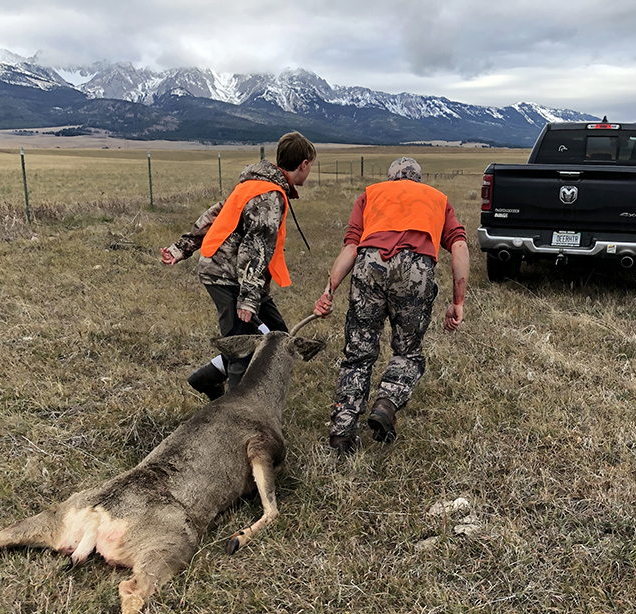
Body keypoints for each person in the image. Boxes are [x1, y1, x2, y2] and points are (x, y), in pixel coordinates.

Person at [313, 156, 469, 455]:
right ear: (417, 181)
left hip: (369, 264)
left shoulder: (371, 194)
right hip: (415, 268)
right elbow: (459, 246)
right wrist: (458, 301)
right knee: (408, 352)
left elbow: (351, 247)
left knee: (358, 354)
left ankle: (342, 434)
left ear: (390, 179)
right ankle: (385, 403)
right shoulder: (438, 199)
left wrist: (328, 290)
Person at [161, 131, 316, 398]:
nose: (309, 172)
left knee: (278, 336)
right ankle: (234, 419)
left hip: (238, 277)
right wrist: (247, 299)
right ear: (303, 165)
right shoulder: (269, 196)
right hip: (228, 277)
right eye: (311, 166)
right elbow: (254, 248)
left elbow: (214, 215)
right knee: (241, 350)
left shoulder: (254, 185)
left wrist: (181, 248)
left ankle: (206, 378)